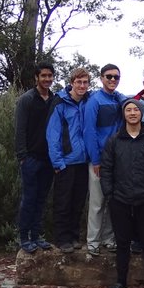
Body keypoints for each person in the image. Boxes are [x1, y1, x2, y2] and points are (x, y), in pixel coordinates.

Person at [101, 99, 144, 288]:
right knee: (122, 243)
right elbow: (106, 169)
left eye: (135, 110)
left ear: (140, 113)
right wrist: (109, 194)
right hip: (119, 200)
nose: (132, 113)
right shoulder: (114, 140)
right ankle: (121, 282)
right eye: (128, 110)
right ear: (124, 114)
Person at [84, 64, 129, 256]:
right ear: (101, 78)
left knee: (114, 201)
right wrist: (95, 160)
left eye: (116, 77)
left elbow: (129, 101)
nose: (112, 80)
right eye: (109, 77)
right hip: (99, 159)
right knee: (97, 202)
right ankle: (93, 241)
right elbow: (89, 131)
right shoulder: (94, 101)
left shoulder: (118, 98)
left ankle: (109, 239)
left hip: (116, 158)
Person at [46, 68, 92, 253]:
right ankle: (61, 238)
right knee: (63, 201)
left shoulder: (89, 100)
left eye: (85, 82)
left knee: (78, 201)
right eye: (78, 82)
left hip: (83, 161)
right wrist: (57, 162)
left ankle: (73, 237)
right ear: (72, 82)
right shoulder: (60, 102)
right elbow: (53, 134)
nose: (82, 86)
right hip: (65, 161)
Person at [14, 62, 56, 253]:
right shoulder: (27, 99)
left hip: (49, 158)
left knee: (42, 199)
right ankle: (24, 238)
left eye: (50, 76)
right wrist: (22, 156)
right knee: (29, 198)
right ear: (36, 78)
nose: (47, 79)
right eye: (43, 76)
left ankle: (36, 236)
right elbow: (20, 129)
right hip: (30, 158)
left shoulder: (54, 99)